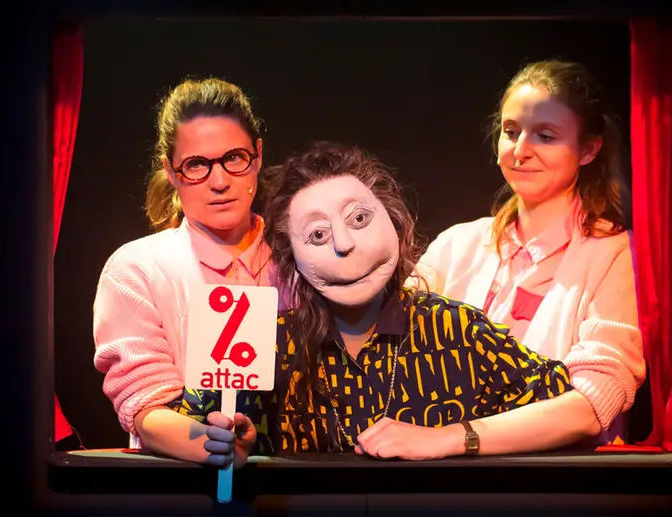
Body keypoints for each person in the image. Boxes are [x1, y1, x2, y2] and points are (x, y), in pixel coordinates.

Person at [176, 141, 603, 467]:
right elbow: (186, 424)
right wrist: (227, 444)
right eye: (318, 235)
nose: (345, 244)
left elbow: (581, 416)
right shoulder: (264, 344)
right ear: (292, 257)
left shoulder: (458, 331)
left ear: (394, 220)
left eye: (360, 219)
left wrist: (452, 437)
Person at [409, 60, 646, 444]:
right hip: (442, 470)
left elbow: (594, 402)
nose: (520, 150)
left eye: (545, 136)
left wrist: (457, 438)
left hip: (557, 475)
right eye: (510, 132)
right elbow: (386, 344)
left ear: (588, 149)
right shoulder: (456, 245)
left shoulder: (614, 253)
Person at [92, 77, 281, 467]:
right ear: (171, 171)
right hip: (184, 488)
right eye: (196, 165)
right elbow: (144, 405)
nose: (219, 181)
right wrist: (214, 444)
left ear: (258, 155)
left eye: (234, 158)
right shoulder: (137, 269)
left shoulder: (301, 259)